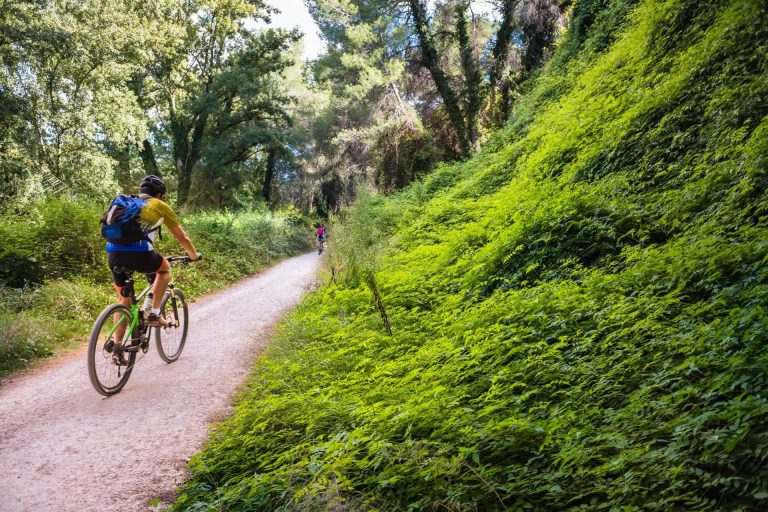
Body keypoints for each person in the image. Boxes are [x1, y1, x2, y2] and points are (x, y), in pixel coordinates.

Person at [107, 175, 200, 338]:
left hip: (113, 253)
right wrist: (193, 256)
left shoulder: (127, 202)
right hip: (140, 253)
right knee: (164, 269)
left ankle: (117, 346)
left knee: (124, 301)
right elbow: (182, 238)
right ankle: (154, 313)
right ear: (159, 195)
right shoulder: (159, 205)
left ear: (142, 191)